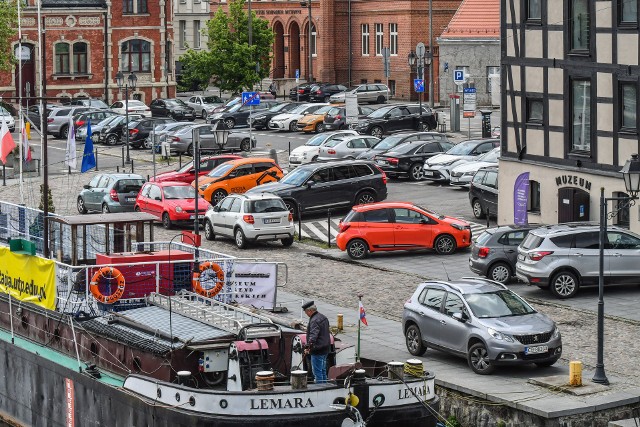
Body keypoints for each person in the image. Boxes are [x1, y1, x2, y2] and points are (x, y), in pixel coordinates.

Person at [303, 301, 331, 383]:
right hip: (325, 347)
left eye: (306, 312)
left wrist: (308, 347)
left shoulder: (314, 320)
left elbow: (313, 336)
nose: (306, 314)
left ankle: (320, 388)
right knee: (323, 370)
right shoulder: (323, 317)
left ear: (310, 311)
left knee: (317, 372)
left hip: (317, 350)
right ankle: (324, 386)